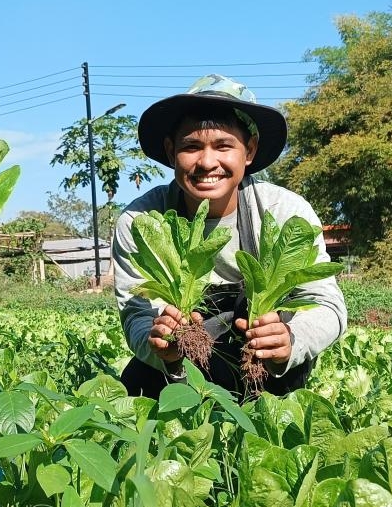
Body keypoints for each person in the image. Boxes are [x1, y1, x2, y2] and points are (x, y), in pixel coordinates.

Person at [112, 74, 347, 401]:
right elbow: (137, 313)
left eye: (224, 146)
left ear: (248, 151)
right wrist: (161, 345)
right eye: (191, 147)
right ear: (170, 151)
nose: (207, 162)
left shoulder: (283, 211)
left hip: (264, 365)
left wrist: (291, 340)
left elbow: (327, 305)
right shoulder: (142, 221)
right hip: (175, 372)